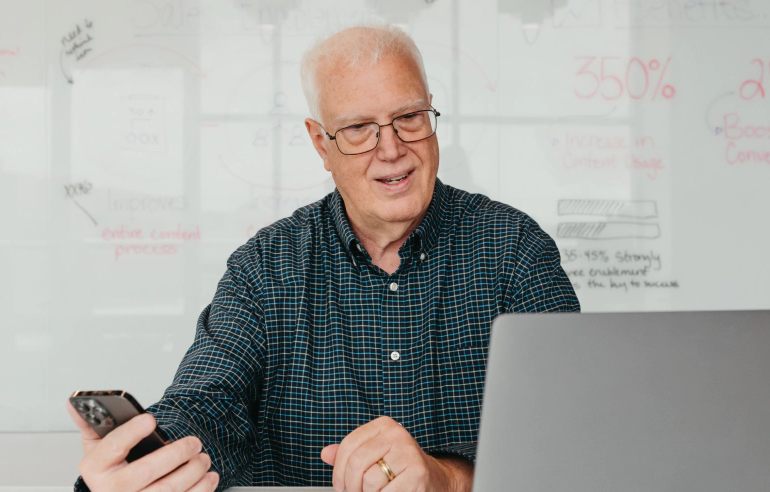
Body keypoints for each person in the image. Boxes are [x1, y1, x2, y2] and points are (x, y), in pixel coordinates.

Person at [68, 24, 579, 492]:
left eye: (408, 117)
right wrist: (145, 462)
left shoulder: (516, 249)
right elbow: (209, 405)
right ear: (320, 143)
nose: (392, 149)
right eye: (359, 128)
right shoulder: (265, 267)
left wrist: (450, 476)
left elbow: (573, 432)